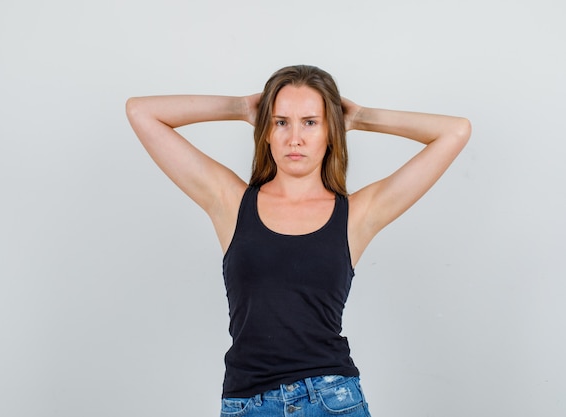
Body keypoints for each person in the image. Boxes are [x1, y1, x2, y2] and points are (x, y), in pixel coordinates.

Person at [126, 65, 471, 417]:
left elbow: (455, 132)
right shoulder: (230, 203)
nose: (295, 138)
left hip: (333, 400)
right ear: (266, 132)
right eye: (280, 122)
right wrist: (241, 108)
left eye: (310, 122)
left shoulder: (357, 214)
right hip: (249, 404)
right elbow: (141, 112)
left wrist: (361, 117)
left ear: (330, 133)